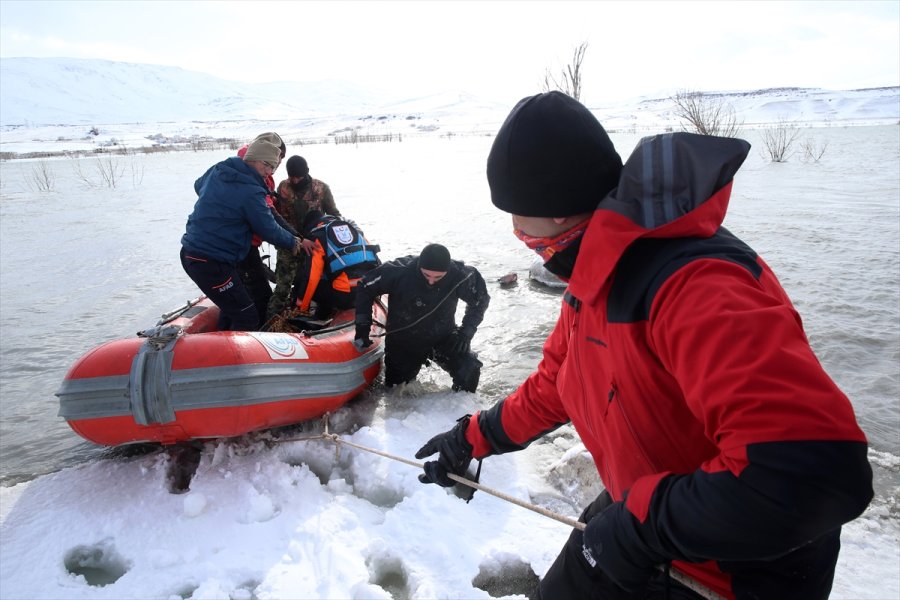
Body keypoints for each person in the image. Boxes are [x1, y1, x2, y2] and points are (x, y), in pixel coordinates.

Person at [414, 92, 873, 599]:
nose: (516, 230)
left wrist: (638, 529)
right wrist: (472, 438)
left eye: (520, 214)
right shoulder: (593, 280)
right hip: (644, 515)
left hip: (726, 570)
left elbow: (811, 473)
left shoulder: (696, 284)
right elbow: (558, 386)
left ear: (563, 210)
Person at [180, 136, 305, 331]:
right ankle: (229, 359)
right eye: (268, 166)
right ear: (256, 159)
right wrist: (294, 242)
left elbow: (198, 186)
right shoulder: (251, 191)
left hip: (192, 252)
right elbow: (268, 228)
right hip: (210, 261)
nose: (270, 172)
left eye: (273, 167)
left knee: (233, 308)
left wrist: (222, 204)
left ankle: (219, 346)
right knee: (247, 317)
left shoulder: (219, 169)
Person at [354, 244, 489, 393]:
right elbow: (365, 286)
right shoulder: (398, 271)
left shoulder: (461, 274)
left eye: (438, 277)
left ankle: (460, 410)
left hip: (443, 337)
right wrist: (363, 326)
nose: (431, 281)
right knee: (396, 390)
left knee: (469, 368)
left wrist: (466, 332)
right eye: (427, 275)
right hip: (403, 341)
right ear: (419, 266)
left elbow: (480, 300)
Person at [234, 133, 307, 326]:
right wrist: (295, 239)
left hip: (248, 243)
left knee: (252, 291)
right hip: (243, 245)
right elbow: (270, 218)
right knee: (259, 294)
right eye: (274, 162)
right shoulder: (254, 177)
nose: (273, 168)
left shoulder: (240, 168)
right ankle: (260, 335)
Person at [268, 155, 341, 320]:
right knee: (283, 285)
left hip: (315, 246)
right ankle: (271, 320)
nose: (294, 180)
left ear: (306, 173)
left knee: (315, 282)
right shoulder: (283, 187)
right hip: (290, 243)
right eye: (291, 176)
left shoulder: (321, 189)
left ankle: (317, 318)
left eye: (298, 177)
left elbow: (334, 215)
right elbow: (277, 215)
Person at [289, 210, 381, 319]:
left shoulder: (317, 236)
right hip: (370, 289)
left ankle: (320, 317)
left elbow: (311, 278)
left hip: (347, 296)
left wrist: (301, 308)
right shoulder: (353, 229)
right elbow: (375, 259)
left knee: (307, 280)